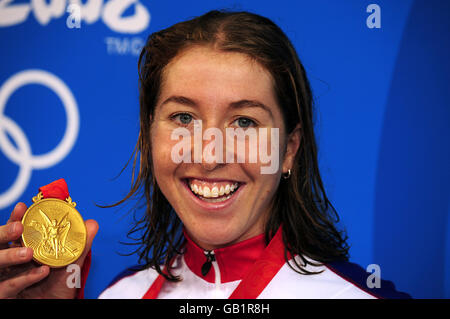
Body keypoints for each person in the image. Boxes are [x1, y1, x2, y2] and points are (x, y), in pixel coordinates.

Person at [0, 10, 410, 299]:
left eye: (244, 122)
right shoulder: (120, 294)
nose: (209, 155)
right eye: (183, 117)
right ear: (148, 138)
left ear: (289, 150)